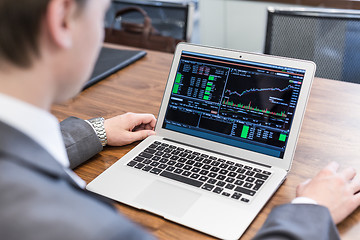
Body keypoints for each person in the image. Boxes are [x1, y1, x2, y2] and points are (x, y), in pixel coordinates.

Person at [0, 0, 359, 239]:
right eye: (102, 13)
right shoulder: (84, 228)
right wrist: (312, 210)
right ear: (61, 19)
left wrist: (96, 131)